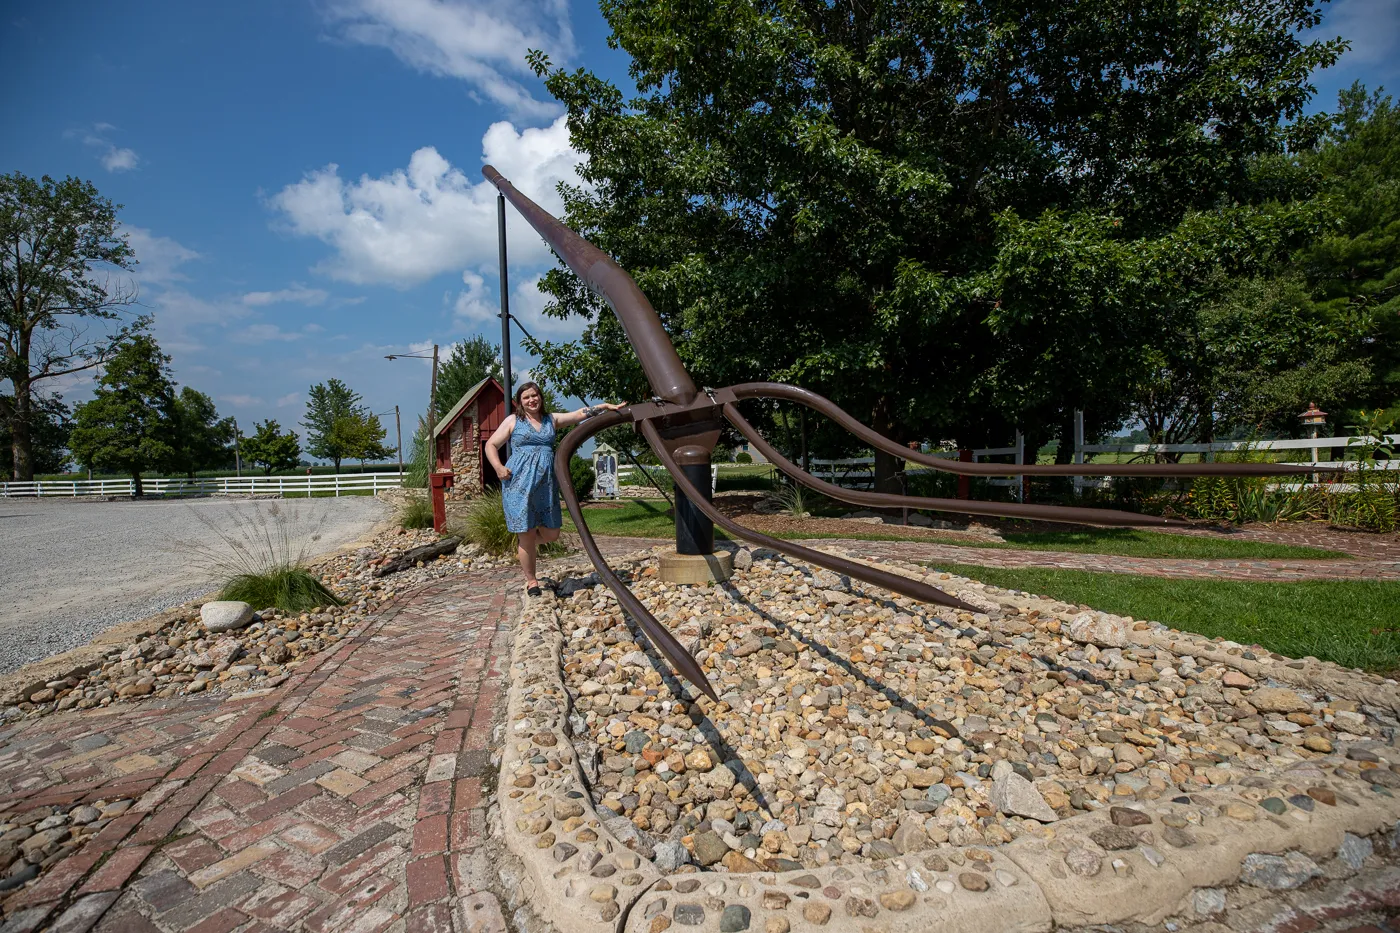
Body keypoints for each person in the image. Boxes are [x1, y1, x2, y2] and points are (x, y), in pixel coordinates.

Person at [484, 382, 627, 596]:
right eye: (526, 397)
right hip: (518, 483)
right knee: (526, 534)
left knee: (552, 534)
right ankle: (532, 581)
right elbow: (491, 445)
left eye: (535, 395)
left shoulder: (551, 420)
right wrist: (498, 467)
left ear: (540, 397)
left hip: (546, 485)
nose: (531, 400)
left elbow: (579, 414)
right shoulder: (513, 421)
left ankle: (526, 546)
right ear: (520, 402)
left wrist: (604, 406)